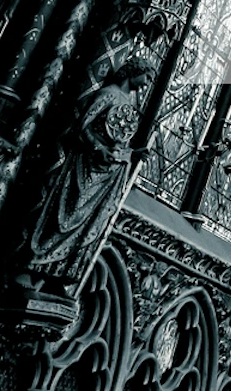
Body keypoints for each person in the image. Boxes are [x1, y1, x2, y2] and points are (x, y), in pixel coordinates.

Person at [21, 59, 155, 291]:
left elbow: (118, 141)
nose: (147, 84)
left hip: (109, 174)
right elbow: (81, 125)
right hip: (86, 167)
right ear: (135, 71)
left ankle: (57, 274)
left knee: (89, 223)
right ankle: (35, 268)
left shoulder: (127, 102)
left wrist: (133, 153)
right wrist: (97, 148)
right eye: (148, 77)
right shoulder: (108, 94)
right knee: (68, 214)